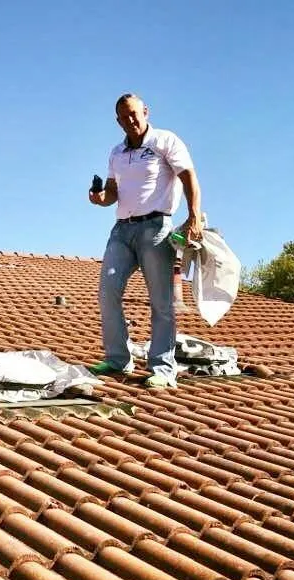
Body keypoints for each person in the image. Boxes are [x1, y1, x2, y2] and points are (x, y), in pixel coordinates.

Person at [88, 93, 203, 388]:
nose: (130, 120)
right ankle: (118, 360)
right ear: (118, 121)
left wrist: (194, 216)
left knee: (161, 301)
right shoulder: (116, 152)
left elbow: (189, 177)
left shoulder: (165, 140)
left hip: (156, 228)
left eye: (134, 114)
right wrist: (100, 198)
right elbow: (112, 193)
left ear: (146, 112)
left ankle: (162, 368)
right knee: (107, 291)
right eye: (124, 117)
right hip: (121, 230)